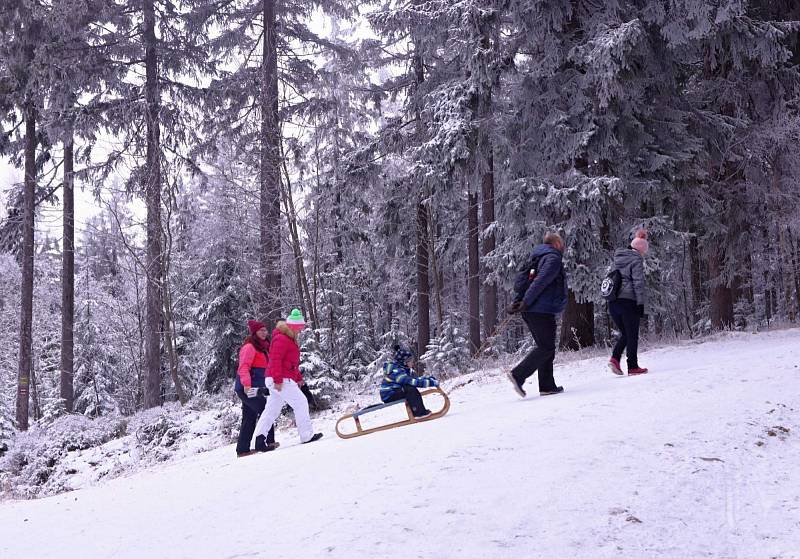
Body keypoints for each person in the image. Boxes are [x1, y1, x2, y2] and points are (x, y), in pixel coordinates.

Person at [506, 232, 568, 397]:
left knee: (546, 346)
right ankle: (518, 374)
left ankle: (547, 385)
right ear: (555, 244)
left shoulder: (537, 258)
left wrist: (518, 301)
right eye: (561, 244)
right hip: (539, 309)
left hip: (534, 309)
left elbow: (527, 281)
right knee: (546, 347)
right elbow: (540, 281)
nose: (563, 247)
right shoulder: (553, 259)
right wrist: (525, 301)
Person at [253, 309, 323, 445]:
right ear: (293, 327)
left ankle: (260, 439)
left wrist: (298, 378)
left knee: (272, 410)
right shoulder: (282, 339)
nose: (300, 331)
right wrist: (278, 380)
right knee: (301, 402)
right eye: (300, 328)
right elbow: (275, 360)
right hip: (279, 379)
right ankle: (306, 435)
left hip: (277, 378)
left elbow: (291, 364)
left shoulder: (288, 339)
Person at [234, 320, 278, 457]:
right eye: (261, 331)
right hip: (247, 388)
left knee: (249, 417)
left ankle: (243, 450)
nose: (264, 333)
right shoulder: (249, 347)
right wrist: (247, 385)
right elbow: (243, 367)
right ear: (254, 333)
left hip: (256, 387)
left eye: (265, 330)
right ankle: (266, 442)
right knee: (266, 410)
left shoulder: (263, 346)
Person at [608, 230, 649, 376]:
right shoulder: (636, 259)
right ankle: (632, 366)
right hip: (628, 301)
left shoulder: (619, 257)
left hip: (613, 301)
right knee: (632, 335)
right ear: (641, 250)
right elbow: (638, 282)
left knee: (626, 333)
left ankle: (614, 359)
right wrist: (640, 303)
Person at [379, 345, 440, 418]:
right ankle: (419, 413)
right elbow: (412, 382)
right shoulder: (397, 371)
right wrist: (431, 383)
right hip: (389, 395)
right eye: (411, 361)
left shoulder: (401, 369)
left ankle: (418, 411)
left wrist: (428, 379)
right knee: (410, 389)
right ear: (405, 362)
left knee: (409, 388)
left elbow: (415, 379)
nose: (412, 363)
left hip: (394, 392)